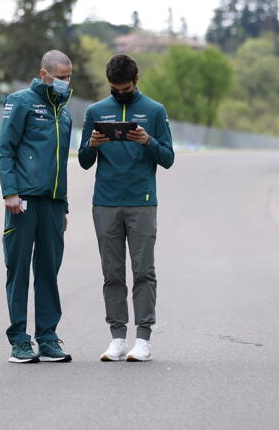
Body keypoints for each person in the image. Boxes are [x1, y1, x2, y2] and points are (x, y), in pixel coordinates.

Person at [78, 54, 174, 362]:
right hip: (105, 202)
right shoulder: (95, 111)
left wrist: (147, 141)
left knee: (143, 270)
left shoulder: (155, 111)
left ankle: (143, 339)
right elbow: (83, 161)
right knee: (112, 273)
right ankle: (117, 338)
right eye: (114, 89)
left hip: (142, 202)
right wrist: (91, 145)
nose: (120, 93)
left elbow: (168, 158)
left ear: (136, 81)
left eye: (125, 88)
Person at [0, 50, 74, 364]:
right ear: (44, 74)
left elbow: (61, 164)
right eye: (61, 77)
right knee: (18, 270)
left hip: (53, 204)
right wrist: (10, 191)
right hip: (22, 203)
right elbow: (5, 149)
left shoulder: (64, 113)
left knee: (48, 271)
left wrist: (64, 205)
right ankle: (19, 340)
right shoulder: (21, 101)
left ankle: (48, 337)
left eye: (69, 77)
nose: (66, 82)